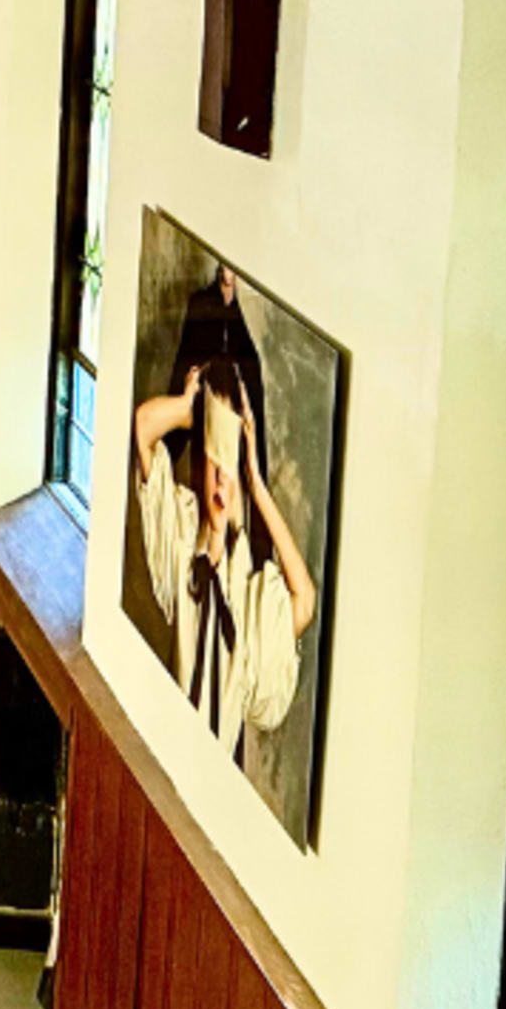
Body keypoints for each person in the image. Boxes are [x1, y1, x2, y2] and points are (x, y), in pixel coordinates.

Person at [129, 277, 321, 774]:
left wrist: (256, 483)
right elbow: (144, 430)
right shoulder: (180, 543)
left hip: (218, 778)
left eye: (230, 471)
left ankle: (227, 306)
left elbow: (304, 598)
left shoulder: (253, 596)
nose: (220, 483)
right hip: (166, 760)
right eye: (214, 466)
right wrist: (188, 408)